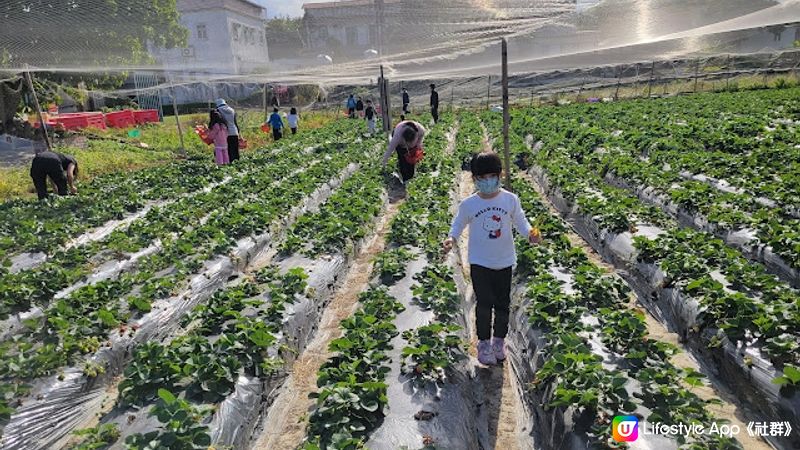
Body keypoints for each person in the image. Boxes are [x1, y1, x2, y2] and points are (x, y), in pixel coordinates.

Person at [442, 152, 542, 366]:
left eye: (491, 176)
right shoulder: (469, 204)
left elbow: (521, 222)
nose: (487, 181)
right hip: (480, 262)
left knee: (503, 304)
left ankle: (499, 340)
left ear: (499, 175)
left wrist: (530, 235)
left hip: (505, 261)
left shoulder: (509, 199)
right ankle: (484, 343)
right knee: (484, 304)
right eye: (482, 178)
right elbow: (458, 223)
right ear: (474, 179)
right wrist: (451, 238)